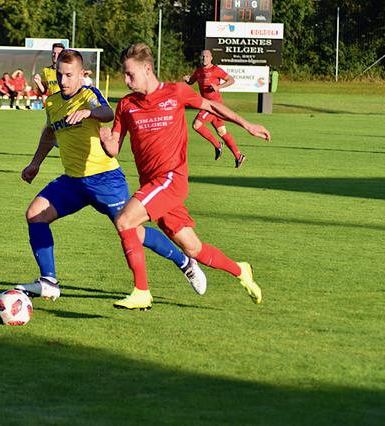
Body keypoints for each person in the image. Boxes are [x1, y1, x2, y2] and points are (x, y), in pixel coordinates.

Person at [15, 49, 207, 301]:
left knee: (133, 231)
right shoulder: (52, 102)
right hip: (73, 181)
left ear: (82, 75)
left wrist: (88, 113)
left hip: (105, 180)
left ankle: (185, 263)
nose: (64, 81)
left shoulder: (89, 95)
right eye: (60, 75)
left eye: (69, 75)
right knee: (35, 215)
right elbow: (50, 133)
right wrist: (35, 164)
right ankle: (49, 281)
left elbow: (106, 112)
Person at [100, 43, 271, 310]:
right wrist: (103, 136)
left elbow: (212, 107)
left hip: (171, 179)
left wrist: (247, 125)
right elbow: (113, 149)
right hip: (153, 187)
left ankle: (142, 291)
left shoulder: (176, 92)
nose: (126, 79)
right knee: (193, 249)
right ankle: (240, 270)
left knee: (124, 220)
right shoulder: (126, 105)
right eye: (124, 74)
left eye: (130, 74)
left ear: (147, 69)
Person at [184, 49, 244, 168]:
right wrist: (188, 80)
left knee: (197, 125)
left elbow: (231, 80)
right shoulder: (199, 71)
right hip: (209, 105)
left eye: (206, 56)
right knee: (222, 132)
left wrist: (218, 87)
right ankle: (238, 156)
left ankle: (218, 145)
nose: (204, 58)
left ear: (211, 58)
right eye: (202, 56)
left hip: (213, 105)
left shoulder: (216, 70)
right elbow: (192, 81)